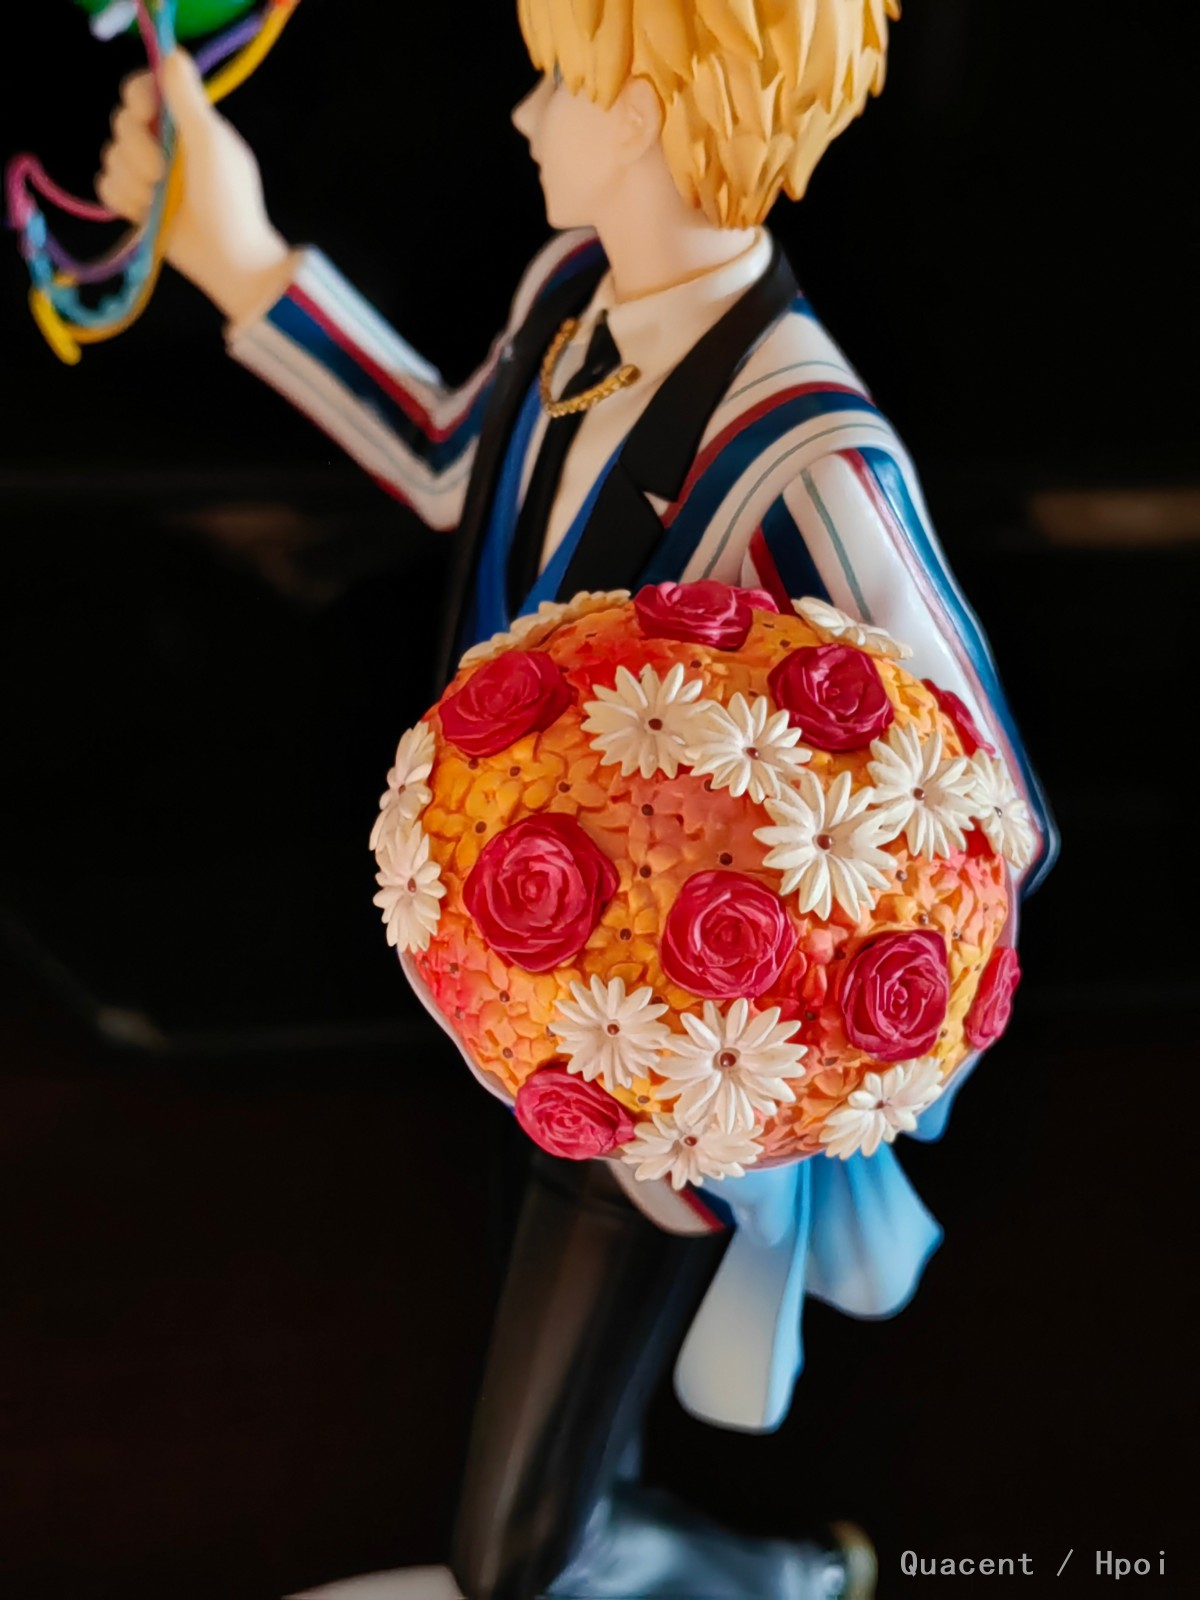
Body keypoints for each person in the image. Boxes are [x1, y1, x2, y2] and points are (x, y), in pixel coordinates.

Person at [98, 3, 1055, 1595]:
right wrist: (241, 256)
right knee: (565, 1425)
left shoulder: (807, 460)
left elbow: (990, 812)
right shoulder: (573, 291)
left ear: (667, 110)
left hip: (674, 1082)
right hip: (522, 1006)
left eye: (563, 81)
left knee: (516, 1540)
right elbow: (450, 456)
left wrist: (783, 1049)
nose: (528, 115)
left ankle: (769, 1580)